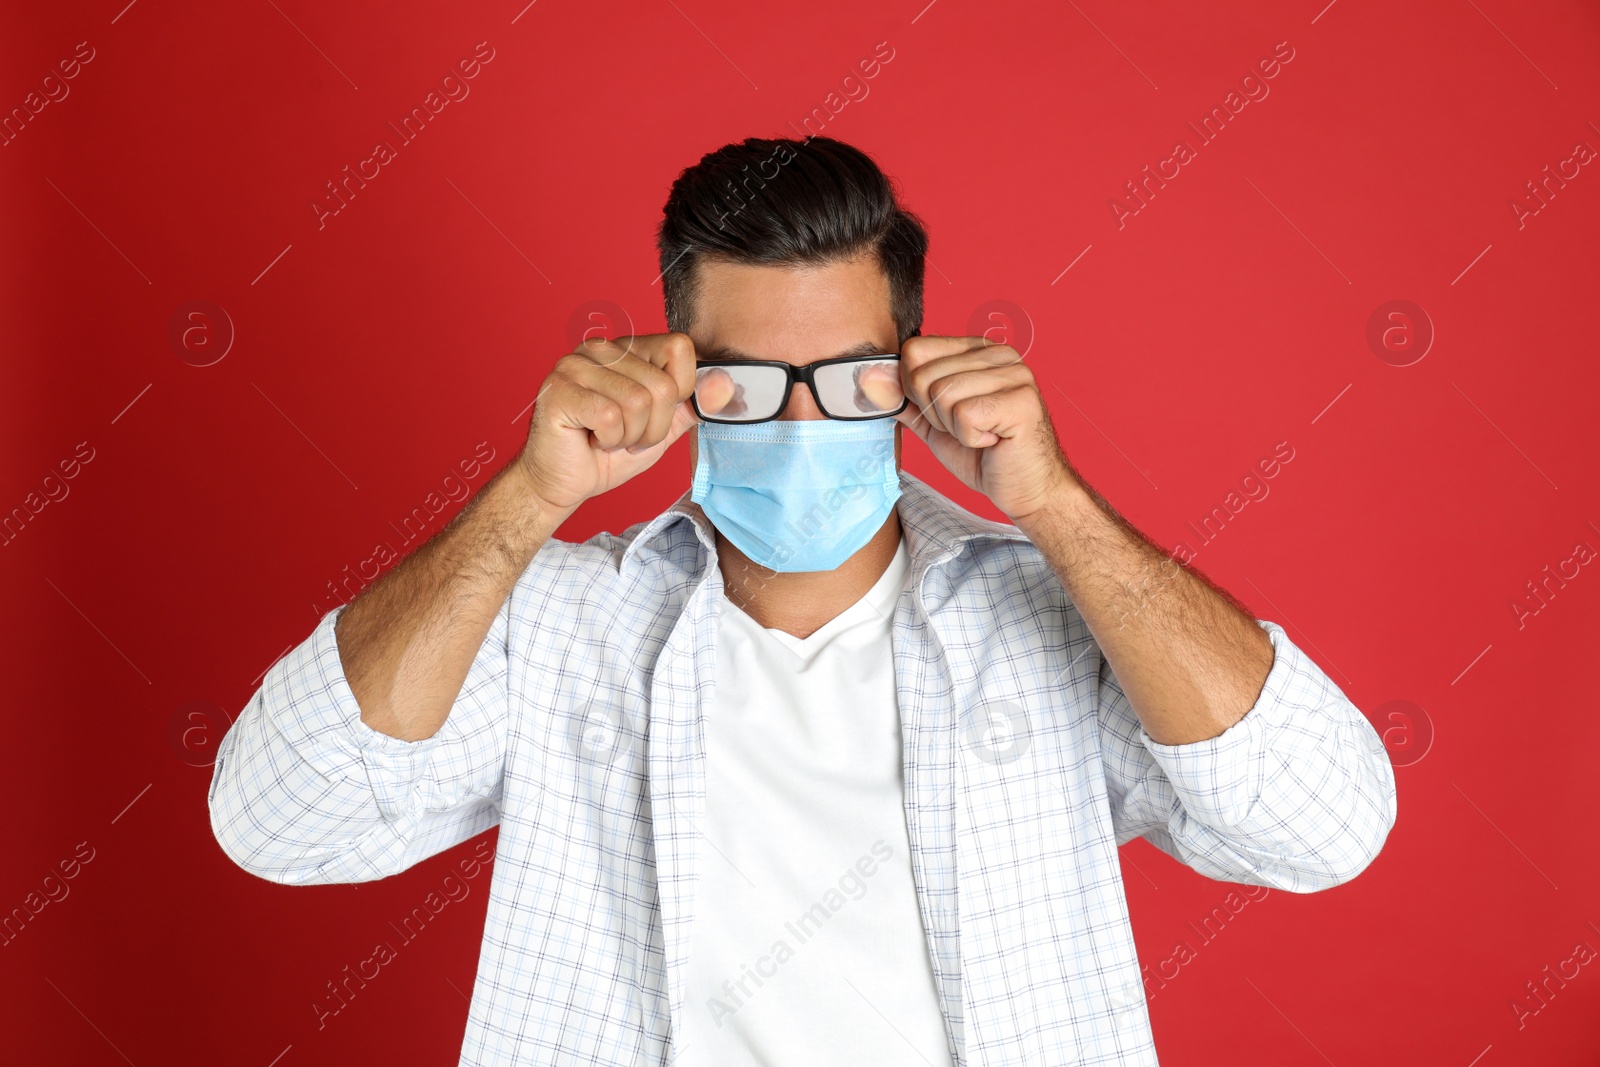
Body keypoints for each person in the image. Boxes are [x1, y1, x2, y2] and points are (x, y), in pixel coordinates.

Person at [208, 135, 1397, 1066]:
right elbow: (282, 822)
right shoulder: (557, 626)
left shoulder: (1053, 618)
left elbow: (1322, 825)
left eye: (847, 378)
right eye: (746, 380)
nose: (798, 420)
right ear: (677, 372)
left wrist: (1055, 505)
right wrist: (530, 495)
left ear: (912, 371)